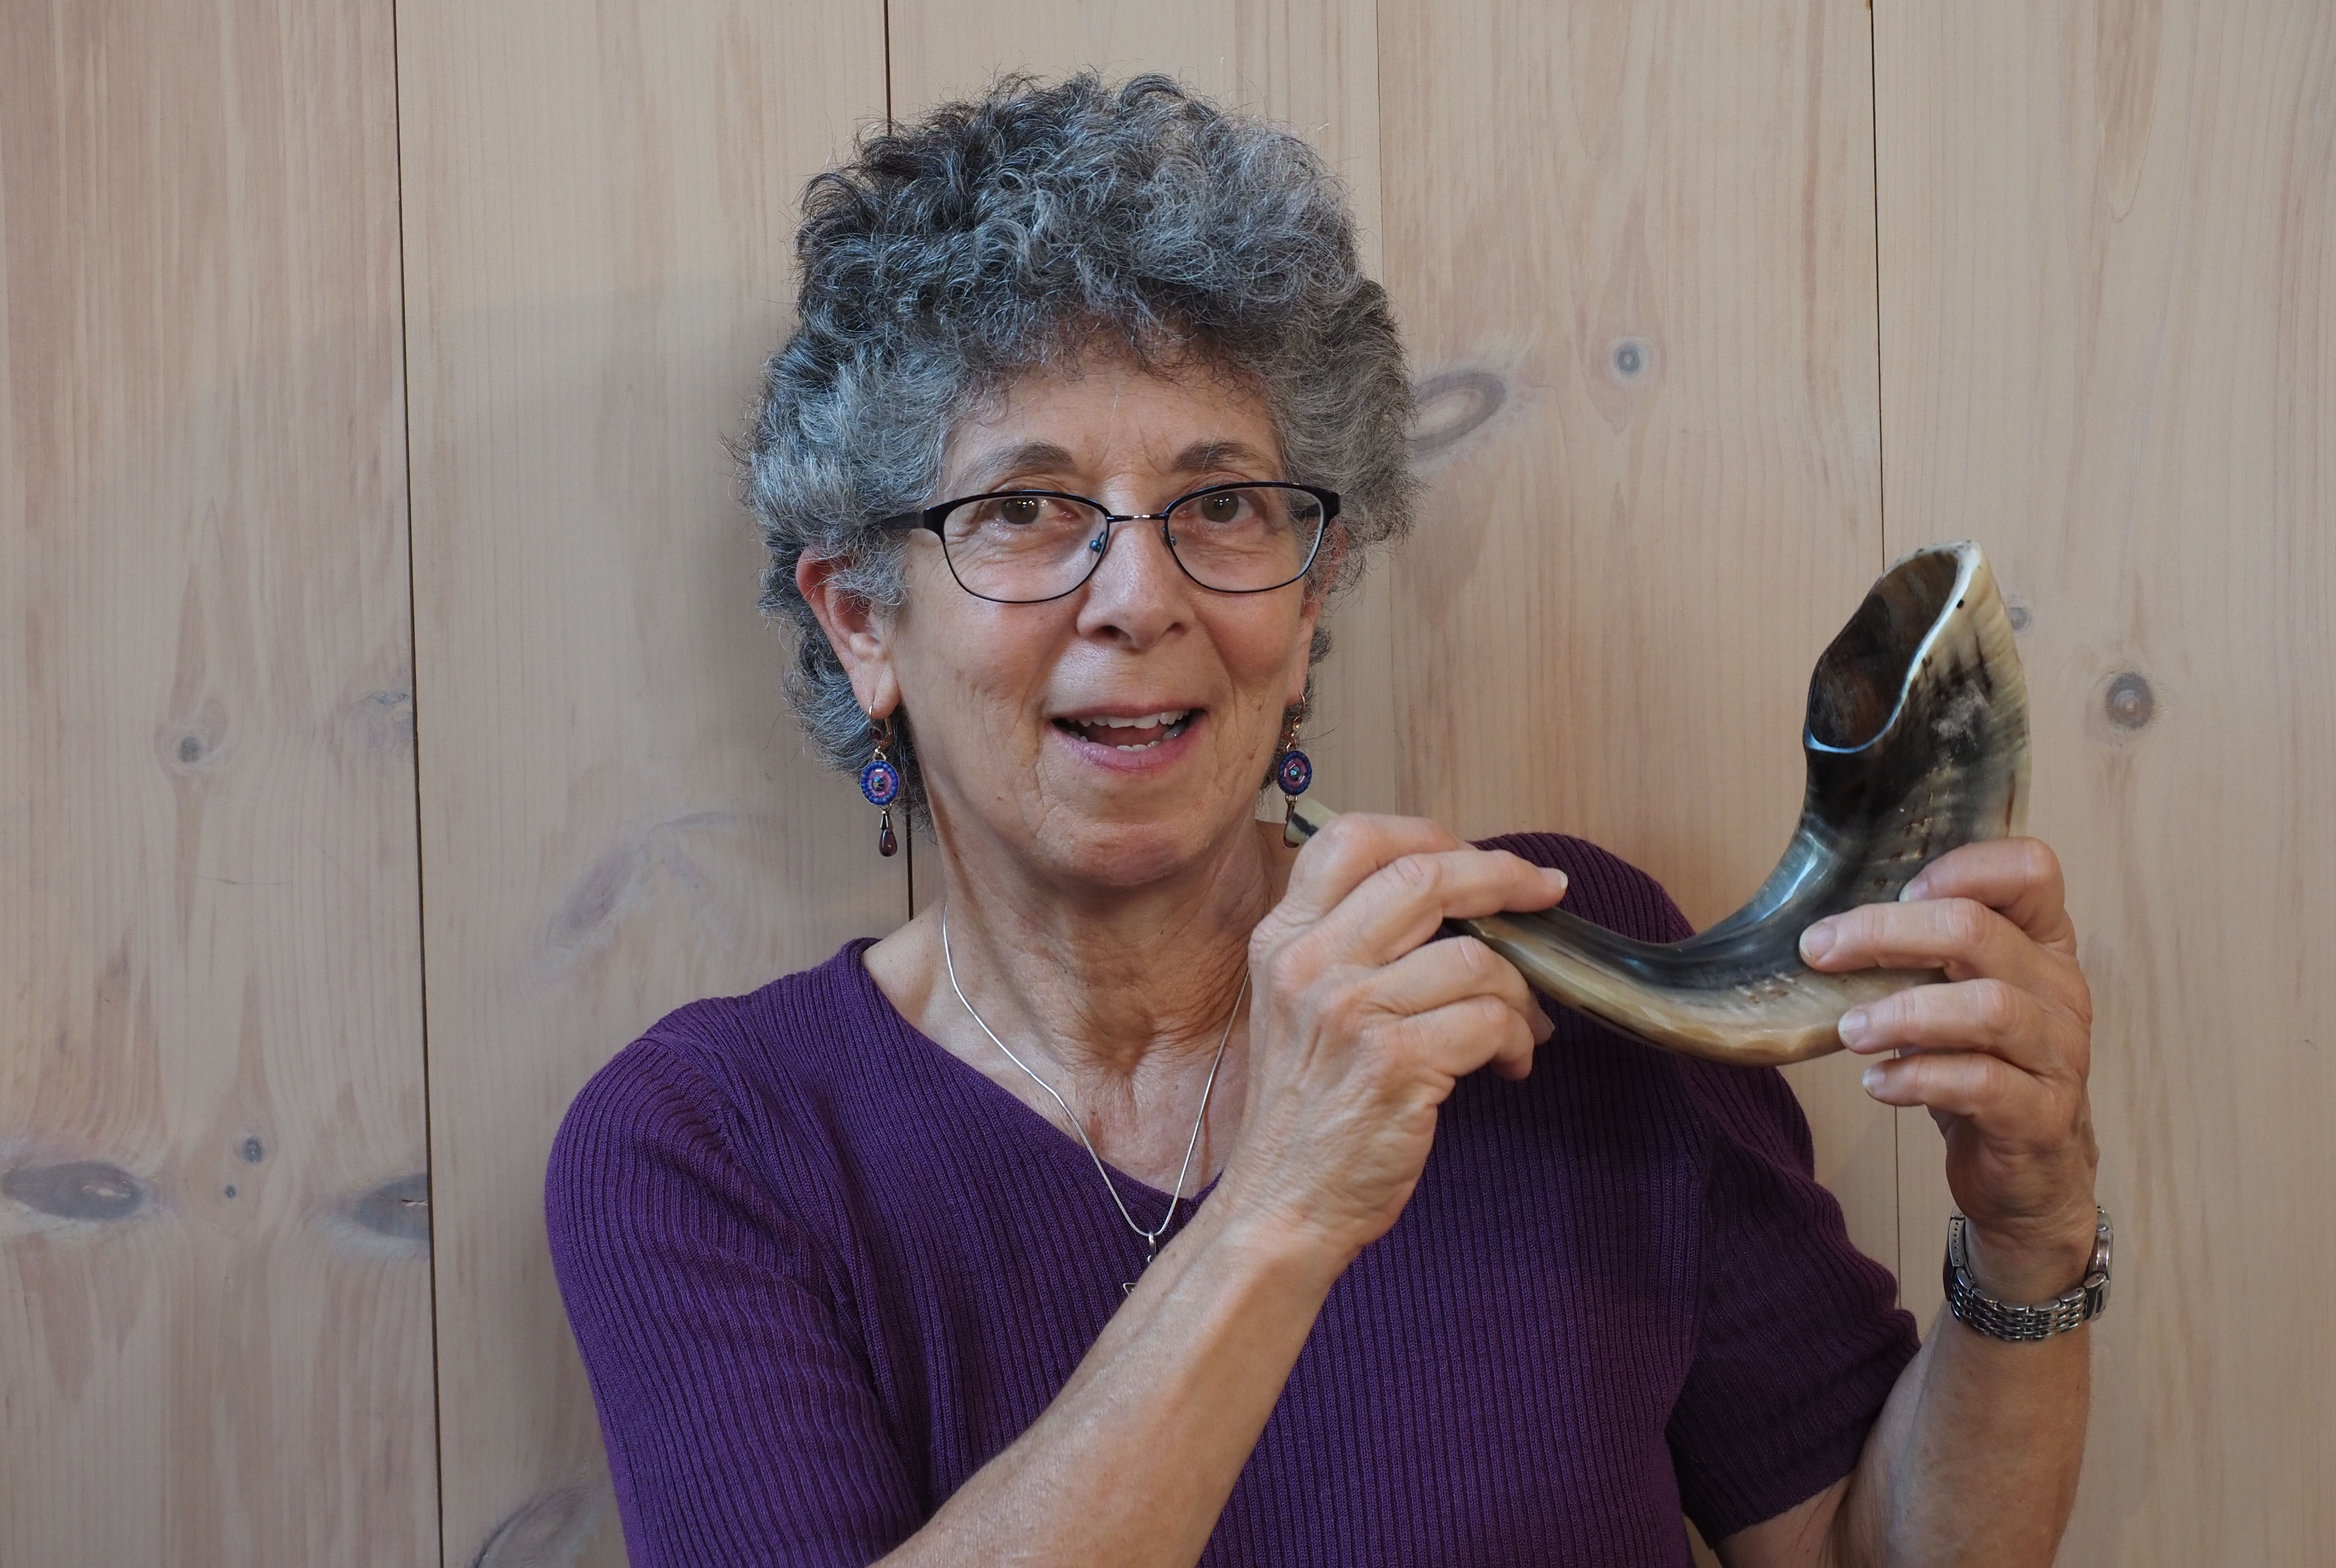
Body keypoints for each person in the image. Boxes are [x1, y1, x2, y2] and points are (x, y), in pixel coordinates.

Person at [547, 74, 2102, 1567]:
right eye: (1021, 508)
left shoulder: (1568, 980)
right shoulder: (707, 1148)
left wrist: (2031, 1241)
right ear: (863, 623)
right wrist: (1282, 1206)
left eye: (1222, 503)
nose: (1140, 597)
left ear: (1315, 591)